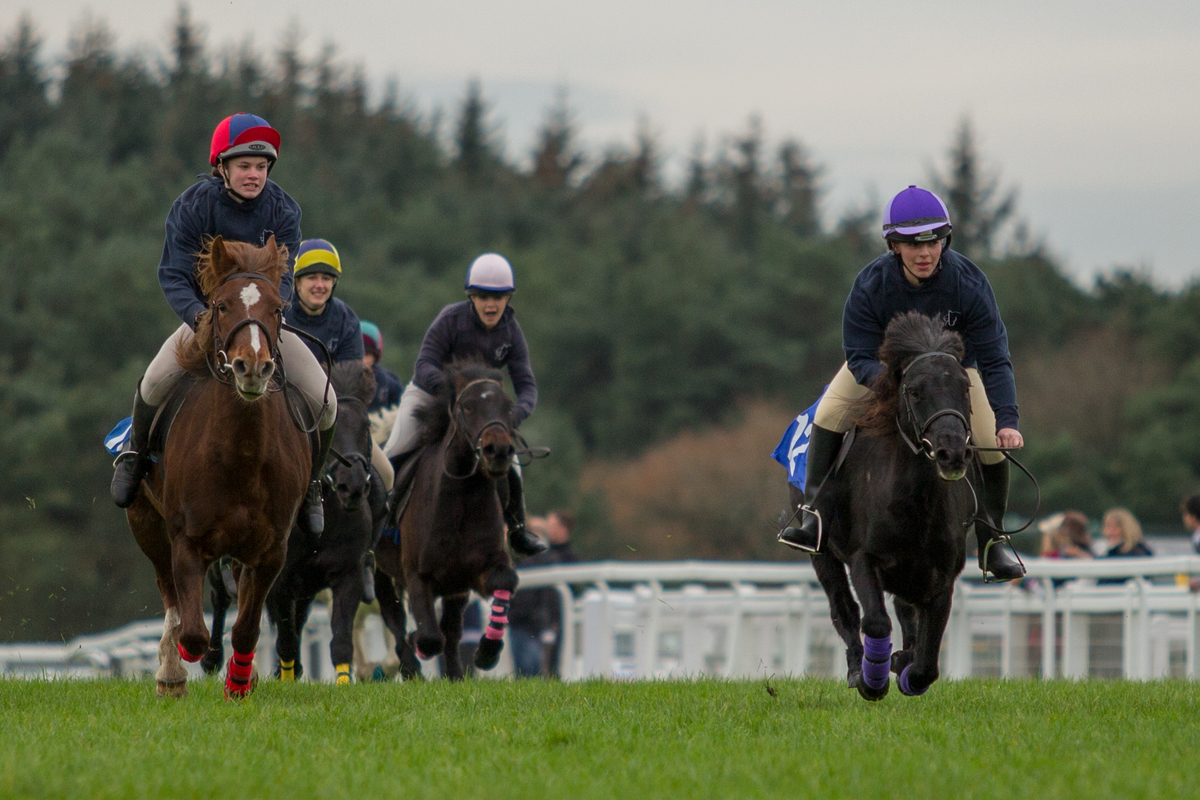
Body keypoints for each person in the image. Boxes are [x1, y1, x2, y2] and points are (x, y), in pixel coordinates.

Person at [778, 185, 1026, 581]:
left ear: (945, 240)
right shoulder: (872, 284)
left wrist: (1007, 420)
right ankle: (814, 515)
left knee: (991, 444)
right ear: (894, 247)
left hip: (954, 371)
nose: (925, 254)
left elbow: (995, 358)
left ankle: (993, 540)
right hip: (882, 369)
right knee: (828, 412)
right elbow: (858, 353)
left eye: (933, 242)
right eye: (913, 245)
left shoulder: (969, 283)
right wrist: (895, 387)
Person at [109, 113, 336, 534]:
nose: (254, 175)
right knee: (153, 383)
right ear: (222, 167)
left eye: (262, 167)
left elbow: (284, 278)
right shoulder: (193, 205)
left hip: (263, 325)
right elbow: (173, 274)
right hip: (206, 321)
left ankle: (314, 485)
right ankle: (136, 457)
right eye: (245, 166)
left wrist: (266, 316)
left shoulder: (284, 210)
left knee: (327, 401)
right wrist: (199, 318)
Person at [382, 252, 546, 557]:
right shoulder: (451, 320)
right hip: (430, 396)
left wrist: (512, 417)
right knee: (394, 449)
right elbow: (424, 364)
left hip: (481, 415)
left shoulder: (512, 332)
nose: (491, 304)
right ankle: (378, 521)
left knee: (511, 465)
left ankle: (518, 530)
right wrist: (453, 395)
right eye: (483, 296)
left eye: (498, 297)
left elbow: (527, 386)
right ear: (471, 297)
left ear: (508, 298)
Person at [283, 238, 393, 493]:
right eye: (312, 277)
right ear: (296, 281)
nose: (320, 285)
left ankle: (383, 533)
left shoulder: (346, 319)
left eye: (327, 278)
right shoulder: (280, 314)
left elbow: (352, 382)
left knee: (386, 476)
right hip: (284, 415)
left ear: (334, 282)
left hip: (333, 421)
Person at [507, 510, 580, 677]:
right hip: (535, 622)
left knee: (536, 672)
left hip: (535, 623)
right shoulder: (545, 557)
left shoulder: (557, 558)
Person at [360, 320, 403, 446]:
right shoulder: (337, 380)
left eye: (367, 354)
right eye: (358, 352)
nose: (362, 359)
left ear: (376, 355)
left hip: (380, 443)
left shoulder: (390, 383)